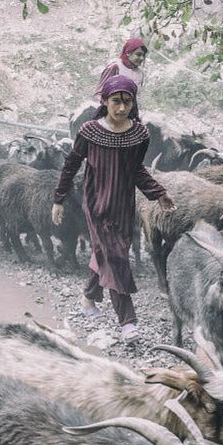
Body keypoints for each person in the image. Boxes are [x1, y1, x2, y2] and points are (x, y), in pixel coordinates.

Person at [53, 76, 175, 342]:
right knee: (116, 258)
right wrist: (59, 199)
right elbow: (72, 164)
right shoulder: (89, 131)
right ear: (105, 101)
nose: (121, 108)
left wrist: (159, 194)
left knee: (109, 254)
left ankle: (87, 297)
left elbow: (136, 171)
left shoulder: (139, 134)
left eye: (127, 102)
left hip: (123, 205)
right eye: (116, 102)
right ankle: (128, 322)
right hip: (96, 203)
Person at [94, 38, 147, 103]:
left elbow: (137, 97)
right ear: (128, 53)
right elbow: (99, 93)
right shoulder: (115, 67)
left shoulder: (140, 73)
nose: (142, 58)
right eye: (138, 54)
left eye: (143, 55)